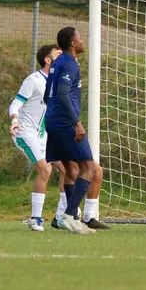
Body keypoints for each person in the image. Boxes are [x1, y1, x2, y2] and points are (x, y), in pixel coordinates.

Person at [43, 26, 107, 234]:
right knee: (89, 168)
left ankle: (72, 218)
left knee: (71, 169)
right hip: (65, 123)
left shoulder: (57, 62)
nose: (83, 41)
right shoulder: (69, 63)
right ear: (72, 43)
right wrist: (76, 122)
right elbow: (61, 94)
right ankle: (69, 216)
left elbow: (47, 95)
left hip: (52, 120)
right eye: (80, 38)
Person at [10, 44, 68, 232]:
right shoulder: (34, 80)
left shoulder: (58, 81)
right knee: (45, 169)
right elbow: (16, 103)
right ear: (47, 60)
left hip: (44, 135)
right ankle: (36, 219)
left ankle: (61, 217)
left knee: (68, 169)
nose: (62, 57)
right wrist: (14, 120)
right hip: (25, 133)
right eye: (58, 54)